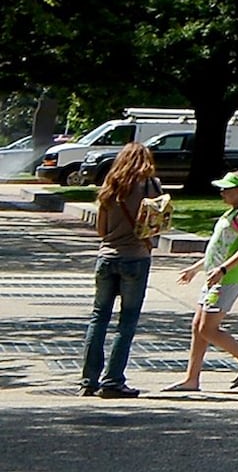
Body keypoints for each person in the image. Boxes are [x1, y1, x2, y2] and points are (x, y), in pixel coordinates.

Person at [166, 167, 238, 391]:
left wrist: (223, 270)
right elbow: (217, 249)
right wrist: (195, 269)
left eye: (226, 189)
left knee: (208, 329)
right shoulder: (230, 213)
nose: (222, 193)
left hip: (229, 279)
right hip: (215, 278)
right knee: (198, 327)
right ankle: (191, 379)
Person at [79, 140, 166, 397]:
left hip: (107, 257)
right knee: (126, 321)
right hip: (136, 258)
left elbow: (101, 231)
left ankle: (88, 380)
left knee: (98, 318)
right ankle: (113, 380)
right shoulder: (152, 186)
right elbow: (156, 225)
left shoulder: (110, 187)